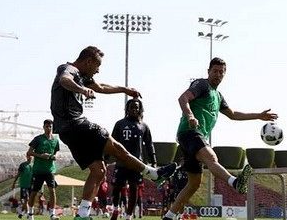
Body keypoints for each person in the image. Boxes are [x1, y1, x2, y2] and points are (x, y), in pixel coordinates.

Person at [50, 46, 176, 220]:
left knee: (99, 171)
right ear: (89, 61)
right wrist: (82, 90)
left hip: (67, 131)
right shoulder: (68, 69)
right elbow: (65, 80)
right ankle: (153, 174)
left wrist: (125, 89)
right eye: (97, 66)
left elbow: (101, 87)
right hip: (76, 124)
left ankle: (82, 214)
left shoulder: (82, 76)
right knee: (117, 148)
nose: (98, 70)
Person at [162, 57, 278, 220]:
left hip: (194, 136)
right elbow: (183, 98)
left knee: (194, 184)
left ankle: (169, 216)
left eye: (221, 72)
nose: (218, 74)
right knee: (212, 158)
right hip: (190, 132)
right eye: (215, 71)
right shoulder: (202, 85)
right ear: (208, 71)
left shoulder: (218, 95)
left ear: (224, 74)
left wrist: (258, 115)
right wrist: (190, 116)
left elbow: (233, 114)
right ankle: (235, 183)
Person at [109, 99, 157, 220]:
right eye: (132, 107)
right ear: (127, 109)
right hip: (121, 162)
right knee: (117, 187)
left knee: (134, 188)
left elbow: (149, 144)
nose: (134, 110)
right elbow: (111, 142)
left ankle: (128, 216)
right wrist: (105, 158)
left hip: (136, 163)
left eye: (137, 107)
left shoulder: (144, 126)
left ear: (140, 109)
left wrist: (154, 161)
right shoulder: (120, 124)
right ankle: (115, 209)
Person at [26, 119, 60, 220]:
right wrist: (41, 155)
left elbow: (56, 152)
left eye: (50, 127)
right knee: (34, 192)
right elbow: (29, 152)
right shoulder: (38, 139)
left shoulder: (55, 140)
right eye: (47, 126)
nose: (49, 128)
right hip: (38, 170)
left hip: (50, 170)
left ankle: (52, 214)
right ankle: (30, 213)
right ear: (43, 127)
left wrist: (54, 156)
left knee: (52, 191)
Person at [12, 154, 33, 219]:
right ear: (27, 157)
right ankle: (27, 212)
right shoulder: (23, 165)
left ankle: (23, 212)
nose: (30, 157)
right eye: (29, 156)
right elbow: (18, 174)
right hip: (24, 185)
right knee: (25, 199)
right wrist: (14, 183)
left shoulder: (34, 165)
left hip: (31, 185)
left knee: (29, 200)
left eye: (31, 156)